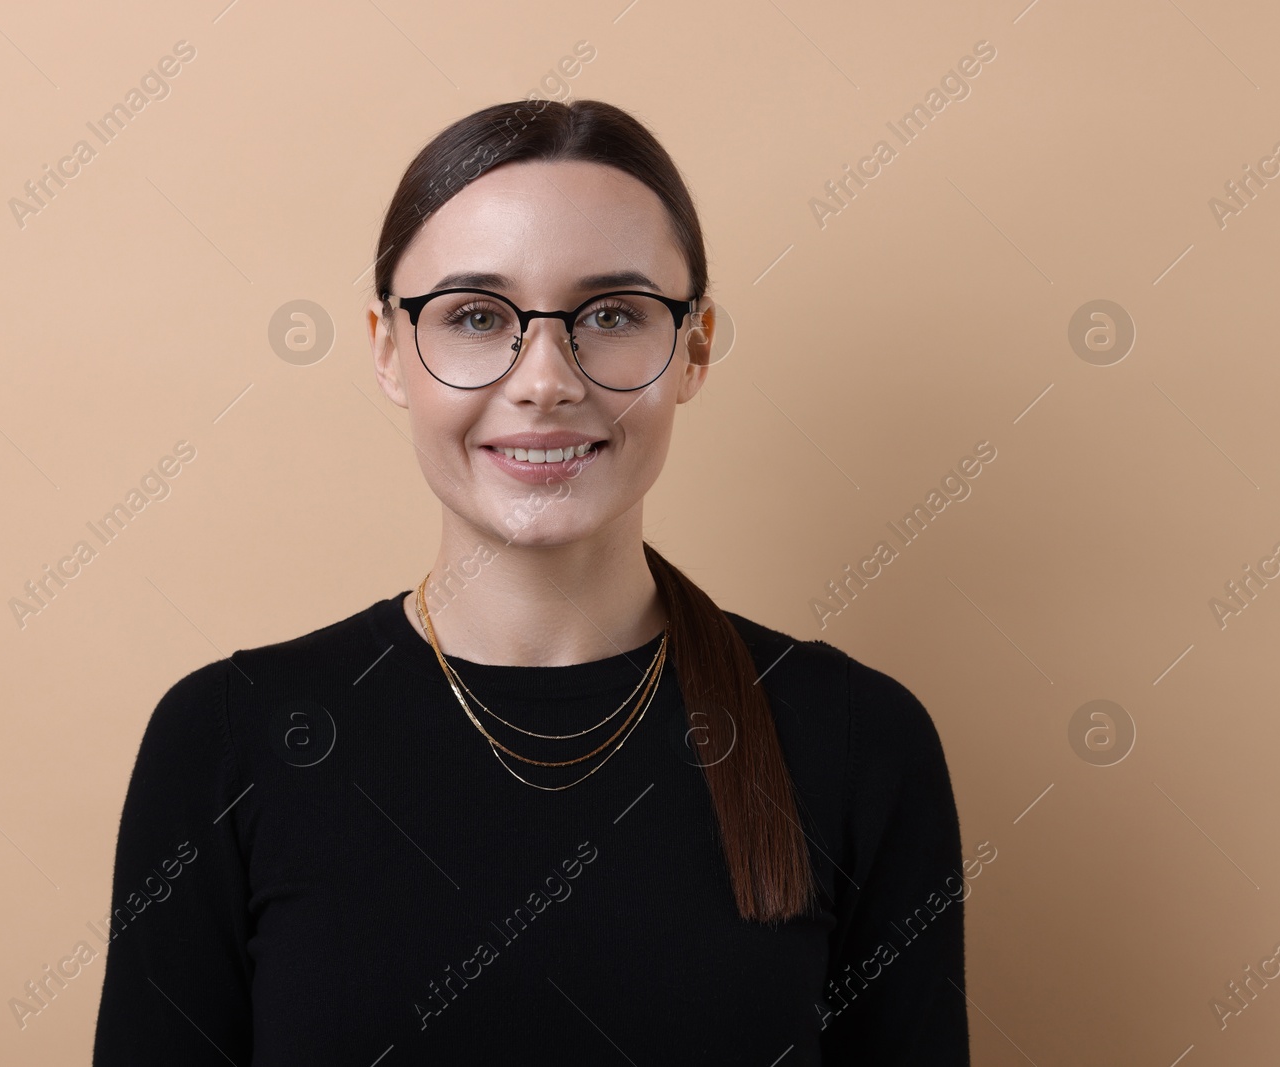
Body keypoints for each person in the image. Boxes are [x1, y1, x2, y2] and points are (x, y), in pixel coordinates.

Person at [92, 98, 969, 1065]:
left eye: (612, 315)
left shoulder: (859, 740)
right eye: (475, 316)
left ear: (695, 348)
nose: (545, 378)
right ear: (389, 350)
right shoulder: (226, 740)